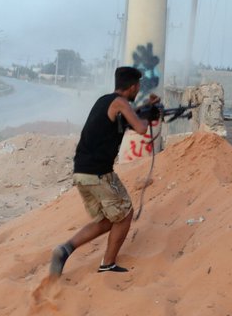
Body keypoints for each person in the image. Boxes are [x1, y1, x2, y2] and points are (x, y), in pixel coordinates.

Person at [49, 66, 159, 276]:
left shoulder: (105, 101)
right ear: (133, 86)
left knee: (108, 219)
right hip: (99, 173)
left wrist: (146, 106)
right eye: (138, 87)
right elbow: (142, 128)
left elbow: (127, 115)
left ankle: (64, 250)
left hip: (82, 172)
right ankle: (107, 264)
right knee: (125, 214)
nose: (138, 91)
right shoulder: (120, 103)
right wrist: (150, 115)